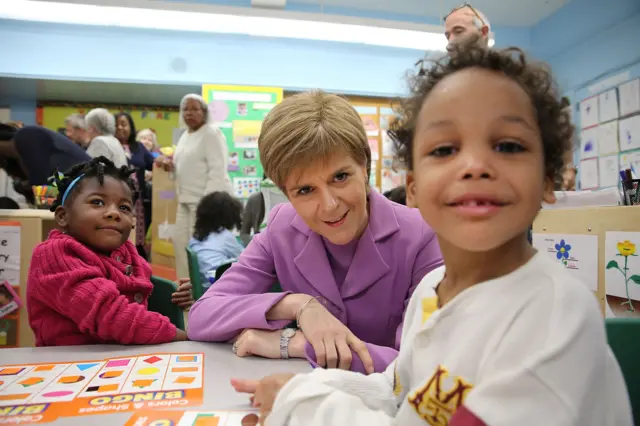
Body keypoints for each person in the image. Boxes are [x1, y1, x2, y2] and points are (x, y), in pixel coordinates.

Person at [232, 46, 634, 426]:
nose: (475, 166)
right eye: (445, 149)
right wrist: (303, 385)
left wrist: (297, 406)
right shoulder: (431, 291)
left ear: (549, 180)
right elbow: (401, 389)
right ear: (414, 187)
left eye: (508, 145)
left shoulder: (553, 315)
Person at [188, 91, 443, 374]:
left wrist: (296, 345)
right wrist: (298, 305)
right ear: (286, 193)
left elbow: (423, 366)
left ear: (365, 167)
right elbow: (202, 316)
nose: (330, 205)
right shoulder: (281, 228)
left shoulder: (422, 235)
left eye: (340, 177)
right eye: (305, 190)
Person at [26, 157, 193, 346]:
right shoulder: (54, 254)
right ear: (64, 216)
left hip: (119, 359)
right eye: (97, 202)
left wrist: (172, 292)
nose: (114, 213)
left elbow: (136, 292)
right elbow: (113, 315)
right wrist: (182, 336)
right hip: (69, 366)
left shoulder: (126, 251)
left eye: (124, 207)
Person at [157, 94, 233, 279]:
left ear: (204, 112)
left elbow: (218, 171)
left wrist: (208, 205)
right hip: (185, 200)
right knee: (181, 245)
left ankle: (204, 294)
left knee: (204, 251)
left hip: (205, 204)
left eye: (194, 109)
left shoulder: (211, 133)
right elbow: (184, 168)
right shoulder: (185, 136)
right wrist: (170, 167)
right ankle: (186, 291)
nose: (189, 113)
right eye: (185, 109)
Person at [0, 123, 91, 204]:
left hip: (90, 187)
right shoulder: (16, 158)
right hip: (81, 193)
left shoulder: (26, 137)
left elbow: (46, 197)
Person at [115, 112, 154, 258]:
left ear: (131, 127)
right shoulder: (111, 145)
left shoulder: (138, 147)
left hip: (138, 199)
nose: (120, 128)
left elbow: (153, 163)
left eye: (124, 124)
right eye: (117, 125)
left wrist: (163, 160)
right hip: (117, 197)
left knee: (137, 233)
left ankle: (135, 259)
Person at [189, 191, 245, 287]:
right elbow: (246, 257)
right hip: (221, 286)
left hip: (204, 286)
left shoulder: (195, 238)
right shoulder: (225, 236)